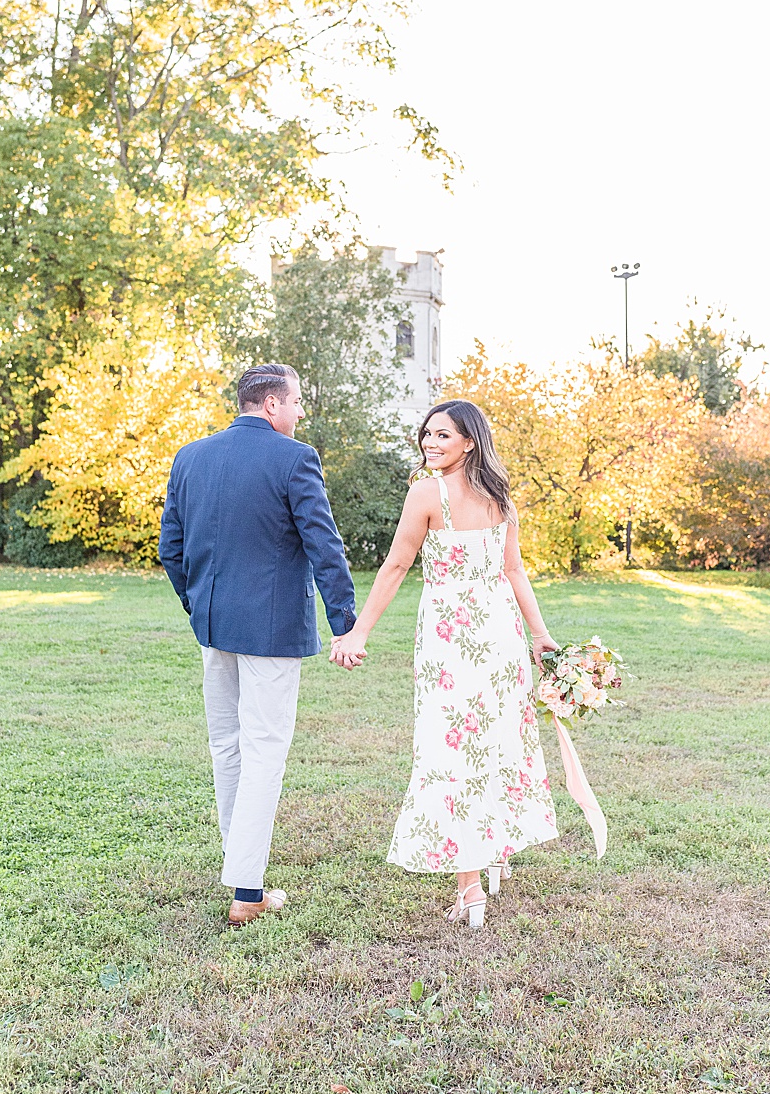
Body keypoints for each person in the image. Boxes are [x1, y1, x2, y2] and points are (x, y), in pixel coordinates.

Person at [329, 400, 559, 927]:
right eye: (427, 435)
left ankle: (471, 889)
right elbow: (515, 572)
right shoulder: (501, 496)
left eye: (443, 436)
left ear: (469, 442)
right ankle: (494, 857)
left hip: (452, 640)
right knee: (496, 741)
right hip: (498, 633)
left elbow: (396, 564)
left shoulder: (426, 492)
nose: (431, 443)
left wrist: (358, 631)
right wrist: (537, 634)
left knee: (455, 750)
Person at [158, 363, 360, 928]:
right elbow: (324, 545)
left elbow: (170, 548)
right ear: (272, 405)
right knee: (264, 751)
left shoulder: (190, 456)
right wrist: (344, 620)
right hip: (271, 630)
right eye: (296, 402)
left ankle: (239, 864)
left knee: (228, 747)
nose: (300, 413)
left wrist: (199, 606)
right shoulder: (294, 458)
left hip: (214, 628)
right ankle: (246, 889)